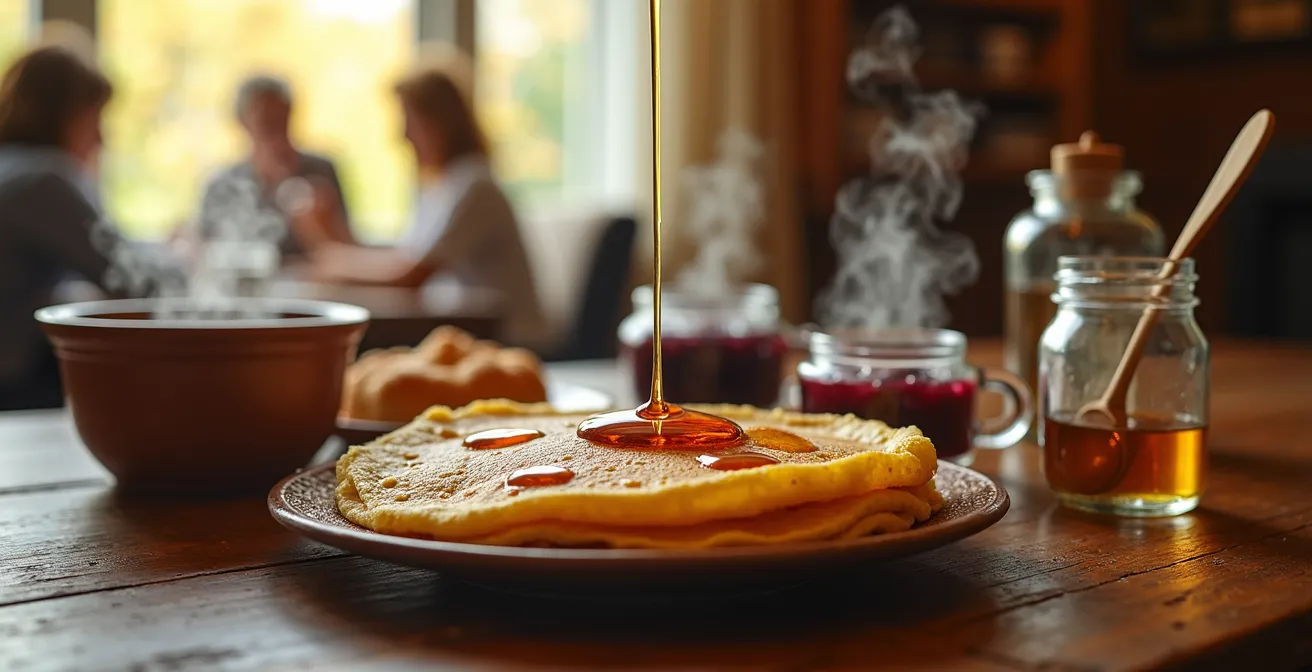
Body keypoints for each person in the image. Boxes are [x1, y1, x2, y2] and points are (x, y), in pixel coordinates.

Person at [293, 48, 545, 349]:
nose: (402, 135)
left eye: (411, 120)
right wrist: (331, 236)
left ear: (443, 123)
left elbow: (410, 276)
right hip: (468, 334)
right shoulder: (442, 188)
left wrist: (329, 255)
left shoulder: (474, 186)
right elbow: (404, 259)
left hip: (507, 342)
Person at [0, 45, 145, 409]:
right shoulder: (42, 180)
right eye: (94, 118)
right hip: (16, 387)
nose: (101, 139)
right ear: (61, 114)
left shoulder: (11, 168)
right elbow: (132, 279)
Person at [197, 75, 353, 257]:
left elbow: (346, 250)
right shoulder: (223, 184)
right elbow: (205, 250)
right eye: (266, 124)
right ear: (243, 122)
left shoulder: (320, 173)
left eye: (282, 121)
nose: (277, 136)